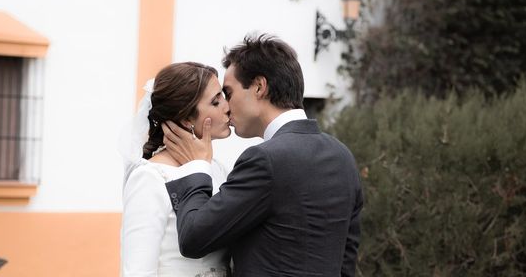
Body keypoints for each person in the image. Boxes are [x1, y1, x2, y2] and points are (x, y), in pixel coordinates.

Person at [163, 35, 363, 277]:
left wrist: (196, 166)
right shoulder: (342, 156)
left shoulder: (264, 160)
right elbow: (346, 261)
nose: (226, 106)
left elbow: (194, 238)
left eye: (229, 92)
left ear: (259, 86)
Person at [120, 62, 233, 277]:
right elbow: (138, 270)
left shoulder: (218, 170)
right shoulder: (150, 177)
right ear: (186, 118)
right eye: (216, 101)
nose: (227, 107)